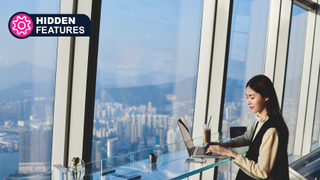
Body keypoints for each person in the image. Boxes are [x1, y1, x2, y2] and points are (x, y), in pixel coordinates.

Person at [206, 74, 289, 180]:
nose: (248, 102)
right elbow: (247, 138)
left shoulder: (272, 130)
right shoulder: (261, 121)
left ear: (266, 97)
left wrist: (230, 153)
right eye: (247, 97)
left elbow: (262, 172)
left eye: (252, 97)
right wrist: (224, 144)